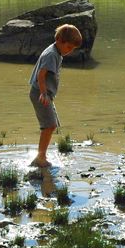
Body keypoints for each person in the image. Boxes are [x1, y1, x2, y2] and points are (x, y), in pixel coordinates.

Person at [29, 24, 82, 168]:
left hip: (44, 94)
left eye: (72, 49)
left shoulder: (56, 52)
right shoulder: (52, 54)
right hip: (40, 94)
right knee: (49, 125)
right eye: (69, 47)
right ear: (59, 40)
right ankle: (40, 158)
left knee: (51, 126)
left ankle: (41, 156)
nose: (70, 51)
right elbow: (41, 74)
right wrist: (44, 93)